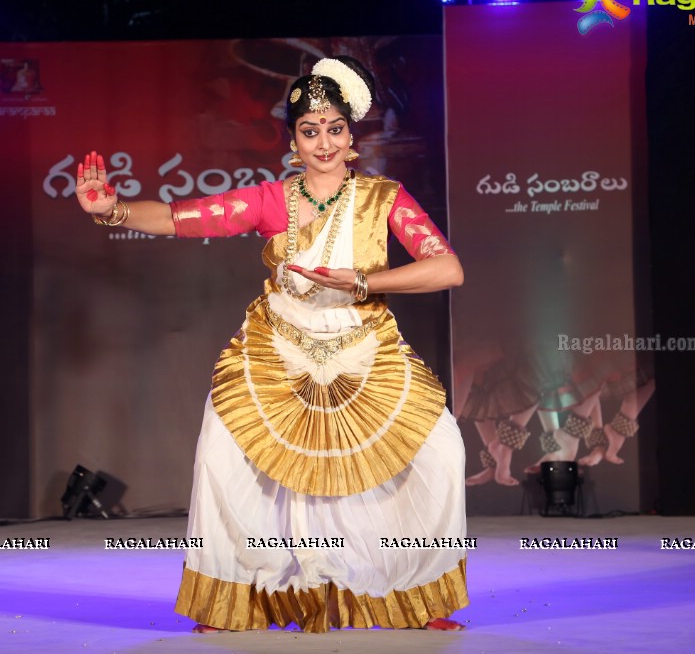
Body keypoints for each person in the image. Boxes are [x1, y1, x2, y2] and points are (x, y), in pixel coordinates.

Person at [74, 56, 469, 633]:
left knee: (441, 452)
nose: (324, 142)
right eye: (310, 131)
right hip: (278, 348)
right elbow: (184, 217)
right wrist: (114, 210)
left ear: (350, 134)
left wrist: (364, 282)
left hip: (364, 348)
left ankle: (415, 594)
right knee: (222, 458)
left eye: (335, 129)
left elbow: (447, 269)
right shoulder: (270, 201)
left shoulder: (384, 199)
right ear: (293, 141)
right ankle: (231, 597)